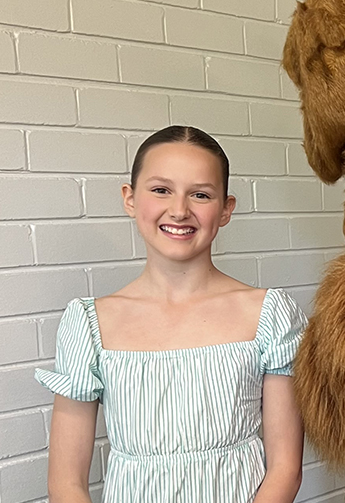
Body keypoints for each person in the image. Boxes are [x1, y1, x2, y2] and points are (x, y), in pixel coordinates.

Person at [36, 126, 307, 503]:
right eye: (161, 190)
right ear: (130, 198)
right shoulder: (89, 324)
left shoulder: (270, 314)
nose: (179, 210)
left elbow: (285, 469)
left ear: (226, 208)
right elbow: (66, 485)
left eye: (200, 194)